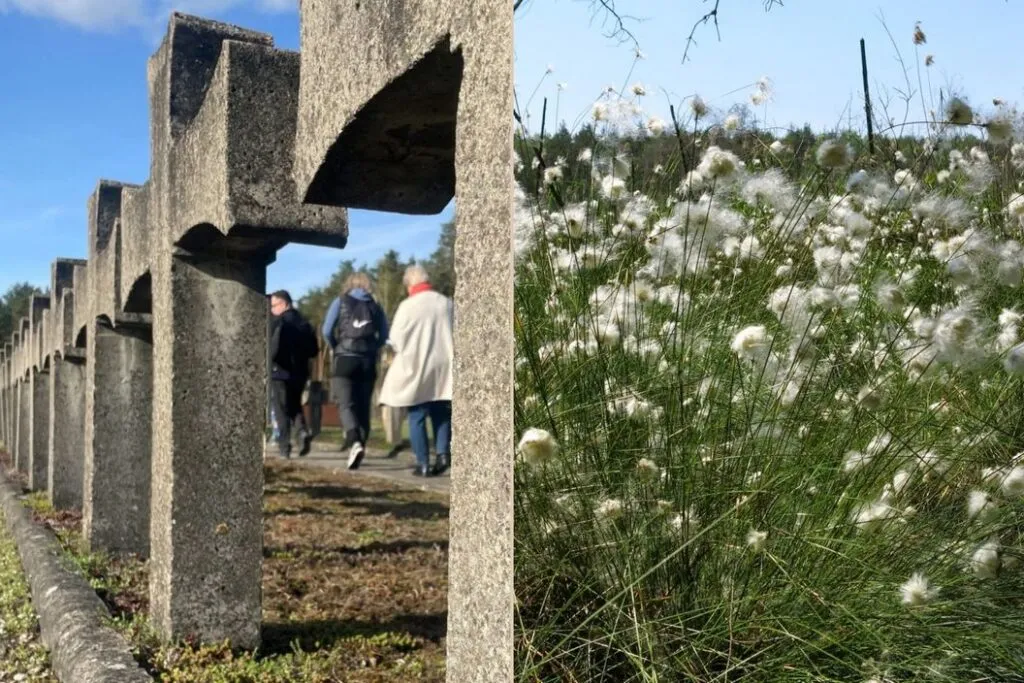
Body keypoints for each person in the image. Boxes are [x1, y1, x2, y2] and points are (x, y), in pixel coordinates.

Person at [378, 265, 454, 477]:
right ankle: (442, 453)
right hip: (443, 364)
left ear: (409, 284)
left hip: (416, 364)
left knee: (417, 414)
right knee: (440, 410)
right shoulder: (446, 303)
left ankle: (422, 463)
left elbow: (395, 338)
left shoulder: (408, 306)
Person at [322, 272, 389, 470]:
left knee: (346, 404)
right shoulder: (376, 306)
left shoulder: (340, 301)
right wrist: (373, 348)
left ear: (348, 285)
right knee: (363, 407)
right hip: (367, 361)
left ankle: (354, 442)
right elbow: (384, 335)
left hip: (345, 359)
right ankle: (361, 445)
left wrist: (337, 346)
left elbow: (326, 330)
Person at [268, 290, 319, 459]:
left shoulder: (278, 322)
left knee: (281, 409)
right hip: (300, 372)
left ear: (284, 304)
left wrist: (269, 363)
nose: (271, 310)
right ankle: (302, 432)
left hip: (279, 371)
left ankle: (284, 447)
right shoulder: (304, 323)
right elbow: (314, 350)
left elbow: (273, 348)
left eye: (273, 306)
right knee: (294, 405)